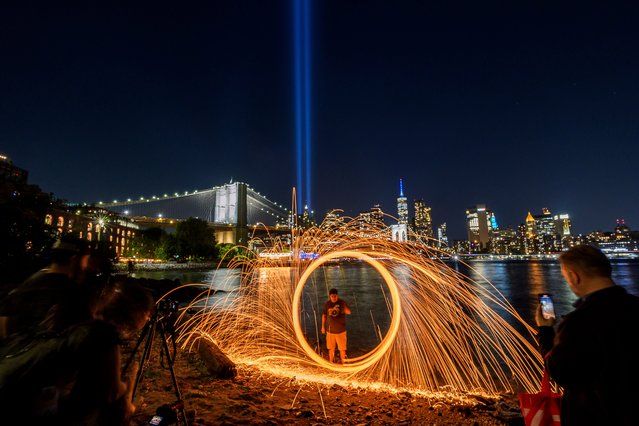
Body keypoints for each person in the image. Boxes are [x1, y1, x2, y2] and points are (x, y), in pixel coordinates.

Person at [535, 245, 639, 426]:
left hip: (596, 416)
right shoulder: (635, 307)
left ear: (574, 276)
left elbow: (561, 372)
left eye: (565, 277)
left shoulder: (580, 321)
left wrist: (545, 330)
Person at [0, 236, 99, 337]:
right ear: (74, 260)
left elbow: (4, 324)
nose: (86, 267)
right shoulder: (74, 294)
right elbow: (88, 335)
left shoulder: (24, 285)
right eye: (85, 261)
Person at [321, 288, 351, 364]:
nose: (334, 298)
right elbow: (324, 315)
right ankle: (331, 363)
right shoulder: (327, 304)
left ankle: (343, 364)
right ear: (330, 296)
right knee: (331, 349)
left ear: (337, 295)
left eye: (335, 296)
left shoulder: (342, 302)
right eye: (332, 296)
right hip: (330, 331)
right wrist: (323, 327)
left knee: (342, 349)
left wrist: (344, 306)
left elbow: (349, 312)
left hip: (341, 331)